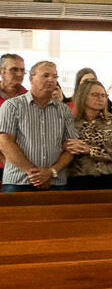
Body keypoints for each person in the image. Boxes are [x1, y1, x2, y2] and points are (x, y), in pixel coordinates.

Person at [0, 60, 81, 191]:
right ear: (31, 78)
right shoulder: (12, 106)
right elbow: (5, 142)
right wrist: (33, 173)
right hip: (19, 181)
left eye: (55, 76)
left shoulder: (64, 110)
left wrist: (51, 172)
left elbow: (72, 146)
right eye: (46, 75)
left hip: (55, 181)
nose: (51, 80)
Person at [65, 77, 112, 189]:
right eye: (95, 95)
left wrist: (90, 150)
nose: (100, 98)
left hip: (110, 177)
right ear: (83, 96)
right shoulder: (70, 123)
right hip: (78, 179)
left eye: (103, 95)